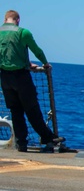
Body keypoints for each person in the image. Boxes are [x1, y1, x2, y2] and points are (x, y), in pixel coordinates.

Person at [0, 10, 64, 152]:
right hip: (21, 77)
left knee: (16, 111)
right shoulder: (23, 33)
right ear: (18, 20)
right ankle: (48, 137)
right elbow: (37, 50)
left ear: (5, 19)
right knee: (32, 109)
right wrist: (45, 63)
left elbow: (8, 52)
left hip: (4, 77)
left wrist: (26, 63)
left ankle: (21, 143)